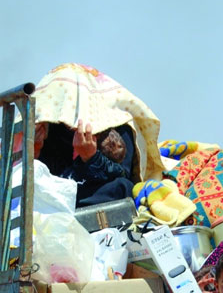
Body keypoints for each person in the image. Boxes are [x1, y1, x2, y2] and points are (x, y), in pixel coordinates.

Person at [25, 63, 165, 207]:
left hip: (97, 193)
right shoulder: (52, 129)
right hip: (62, 193)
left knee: (122, 187)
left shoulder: (117, 123)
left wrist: (91, 157)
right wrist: (35, 151)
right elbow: (50, 177)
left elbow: (123, 174)